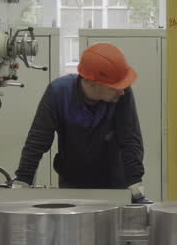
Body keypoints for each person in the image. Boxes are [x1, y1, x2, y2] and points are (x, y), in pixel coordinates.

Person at [14, 42, 148, 201]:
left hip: (114, 183)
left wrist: (135, 183)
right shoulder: (59, 94)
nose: (122, 91)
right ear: (92, 83)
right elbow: (37, 141)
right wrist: (23, 181)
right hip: (72, 183)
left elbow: (130, 138)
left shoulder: (121, 95)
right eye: (115, 87)